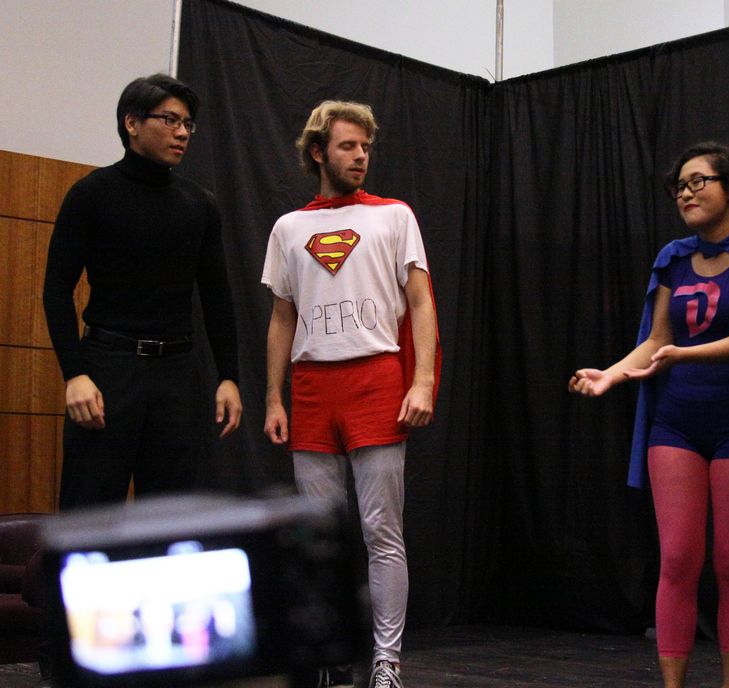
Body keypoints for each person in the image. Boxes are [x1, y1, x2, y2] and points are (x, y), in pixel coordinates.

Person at [569, 142, 729, 688]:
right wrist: (612, 374)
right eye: (680, 186)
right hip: (677, 425)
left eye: (698, 182)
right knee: (678, 560)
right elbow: (657, 339)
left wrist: (682, 356)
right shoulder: (672, 257)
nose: (686, 194)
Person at [262, 100, 440, 688]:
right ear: (318, 152)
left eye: (365, 146)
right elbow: (282, 317)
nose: (361, 156)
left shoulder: (394, 216)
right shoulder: (289, 228)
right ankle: (326, 655)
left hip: (376, 381)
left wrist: (422, 381)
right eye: (347, 146)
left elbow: (420, 303)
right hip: (313, 387)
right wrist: (273, 398)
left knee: (381, 530)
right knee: (316, 536)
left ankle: (386, 661)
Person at [42, 73, 242, 510]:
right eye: (170, 120)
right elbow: (56, 289)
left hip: (178, 374)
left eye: (188, 123)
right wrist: (74, 375)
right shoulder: (91, 194)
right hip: (108, 368)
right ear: (132, 123)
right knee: (91, 511)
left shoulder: (200, 204)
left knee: (170, 516)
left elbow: (217, 296)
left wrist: (229, 376)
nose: (182, 132)